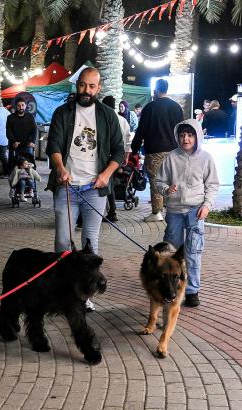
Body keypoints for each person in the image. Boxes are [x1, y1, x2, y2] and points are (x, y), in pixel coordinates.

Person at [46, 67, 125, 312]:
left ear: (98, 88)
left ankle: (85, 294)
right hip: (67, 187)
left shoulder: (108, 115)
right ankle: (62, 291)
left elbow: (119, 152)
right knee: (62, 242)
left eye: (92, 86)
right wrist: (60, 168)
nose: (86, 91)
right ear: (77, 85)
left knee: (91, 244)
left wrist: (105, 175)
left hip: (95, 189)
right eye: (82, 85)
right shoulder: (63, 112)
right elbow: (54, 145)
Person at [155, 119, 219, 307]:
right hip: (174, 210)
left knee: (193, 252)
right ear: (177, 137)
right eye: (182, 135)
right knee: (172, 252)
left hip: (196, 210)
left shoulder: (206, 158)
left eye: (190, 135)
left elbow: (212, 185)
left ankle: (192, 291)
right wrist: (167, 189)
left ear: (197, 136)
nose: (186, 138)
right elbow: (158, 182)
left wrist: (206, 205)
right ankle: (171, 287)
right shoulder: (170, 158)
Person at [131, 78, 184, 222]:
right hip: (174, 151)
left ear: (156, 90)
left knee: (155, 181)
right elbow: (181, 131)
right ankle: (173, 210)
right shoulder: (176, 107)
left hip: (154, 151)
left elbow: (141, 131)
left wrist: (134, 149)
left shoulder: (149, 108)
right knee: (172, 180)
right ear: (167, 89)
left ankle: (157, 212)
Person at [103, 95, 131, 222]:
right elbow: (127, 139)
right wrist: (126, 156)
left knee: (107, 183)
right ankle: (110, 210)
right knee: (110, 182)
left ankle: (112, 211)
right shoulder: (122, 120)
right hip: (118, 157)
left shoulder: (103, 118)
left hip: (105, 157)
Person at [6, 97, 37, 173]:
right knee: (14, 169)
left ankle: (29, 183)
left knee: (29, 168)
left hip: (27, 145)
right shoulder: (10, 117)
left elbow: (34, 130)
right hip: (15, 146)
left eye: (22, 105)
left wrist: (32, 141)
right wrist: (13, 142)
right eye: (19, 105)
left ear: (26, 106)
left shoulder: (30, 117)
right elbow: (8, 132)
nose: (21, 107)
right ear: (16, 106)